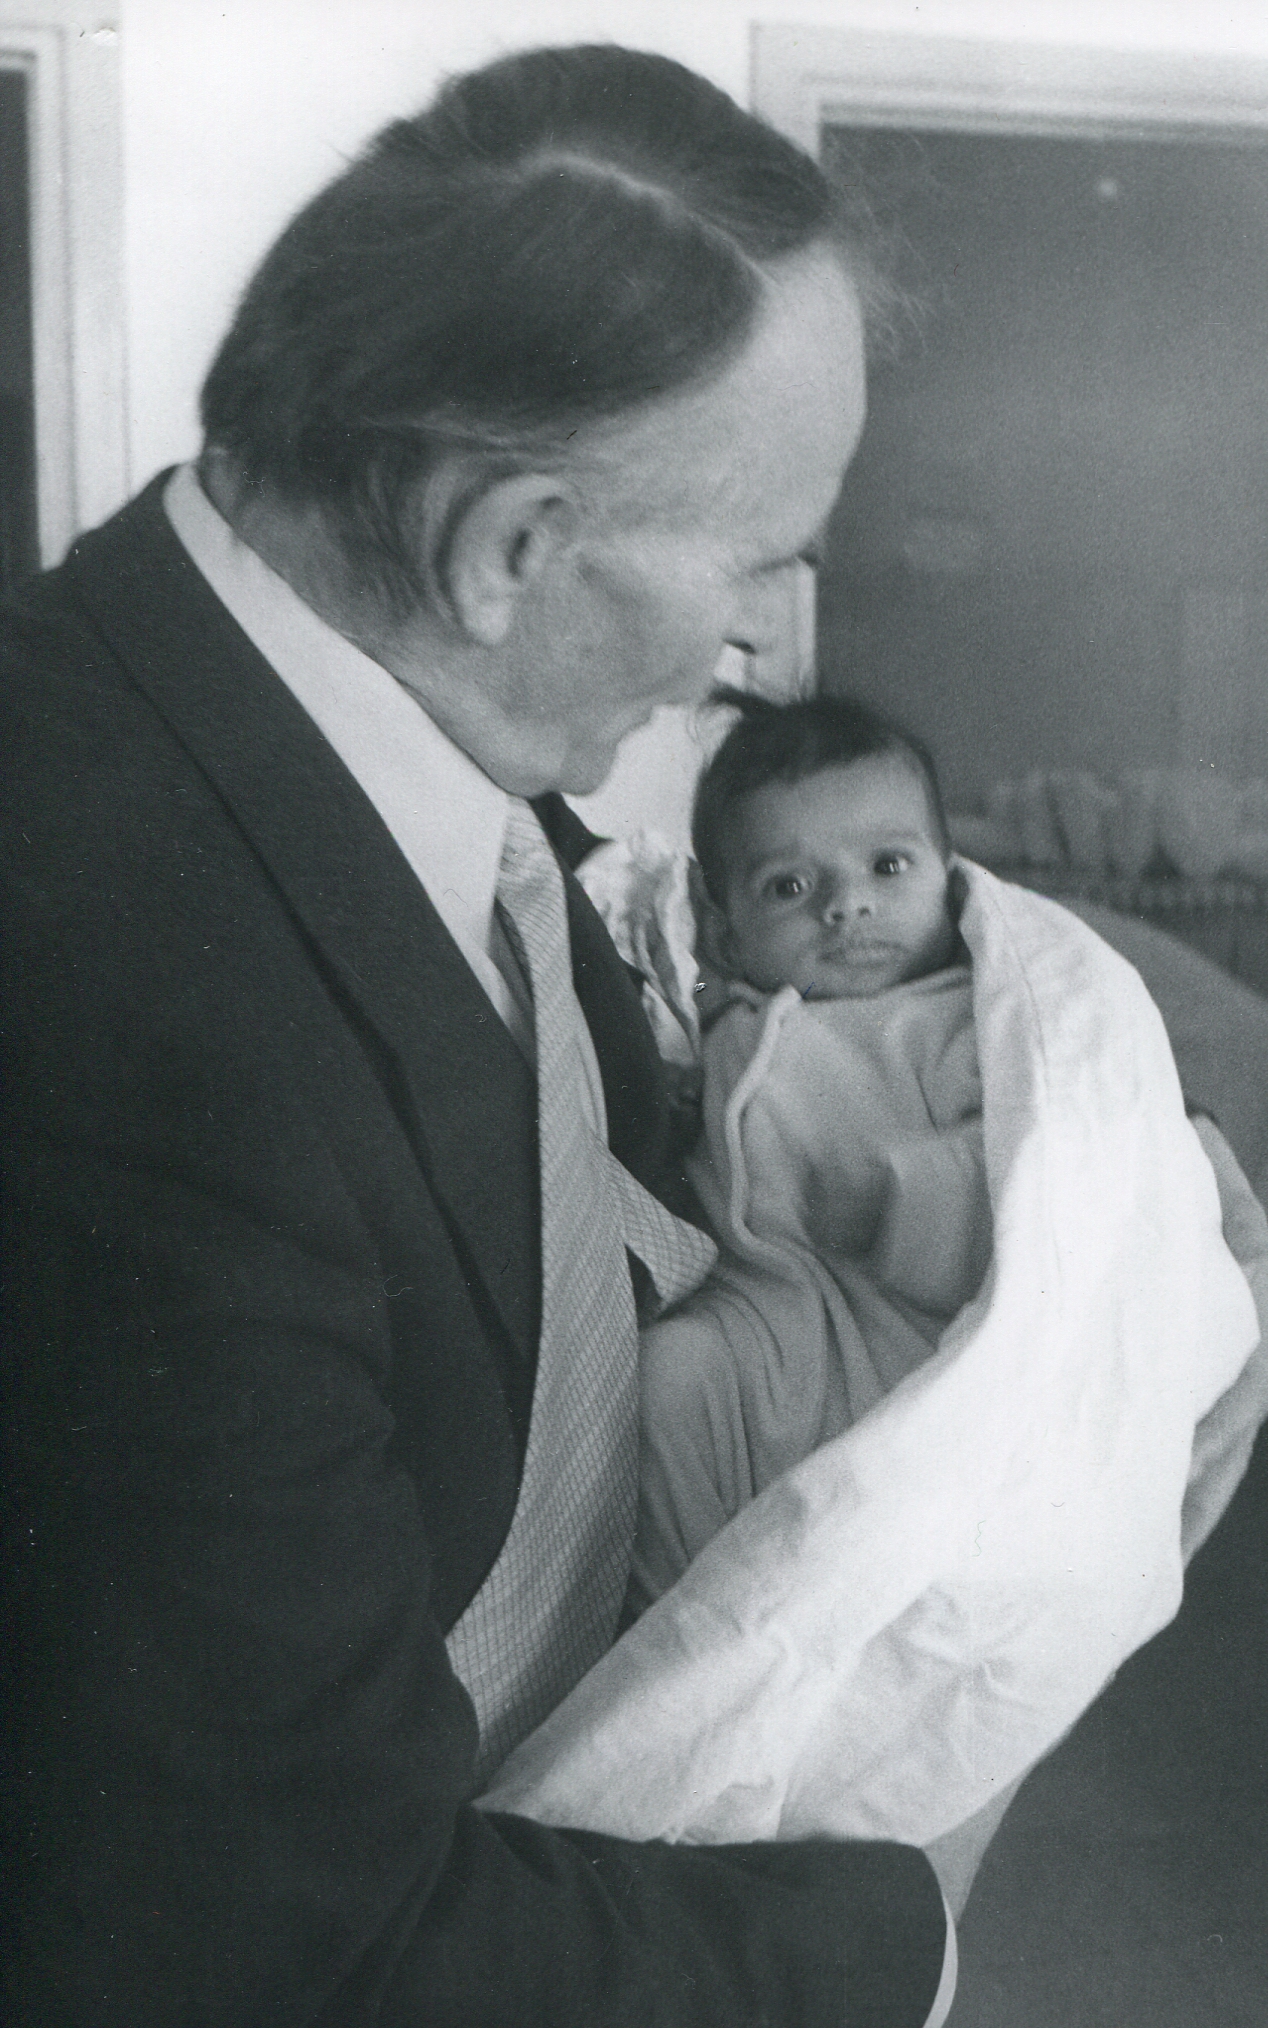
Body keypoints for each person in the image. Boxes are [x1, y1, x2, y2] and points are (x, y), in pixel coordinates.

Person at [0, 45, 959, 2028]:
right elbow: (285, 1947)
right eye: (757, 555)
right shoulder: (119, 1027)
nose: (770, 646)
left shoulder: (379, 738)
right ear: (506, 548)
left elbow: (533, 1203)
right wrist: (897, 1946)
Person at [627, 689, 1268, 1596]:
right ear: (723, 918)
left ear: (948, 871)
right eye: (789, 886)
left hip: (906, 1346)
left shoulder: (960, 1023)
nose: (847, 907)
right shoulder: (737, 1020)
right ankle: (690, 1617)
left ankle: (807, 1605)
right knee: (667, 1383)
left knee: (892, 1502)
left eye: (887, 866)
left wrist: (905, 1200)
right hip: (769, 1330)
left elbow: (1054, 1170)